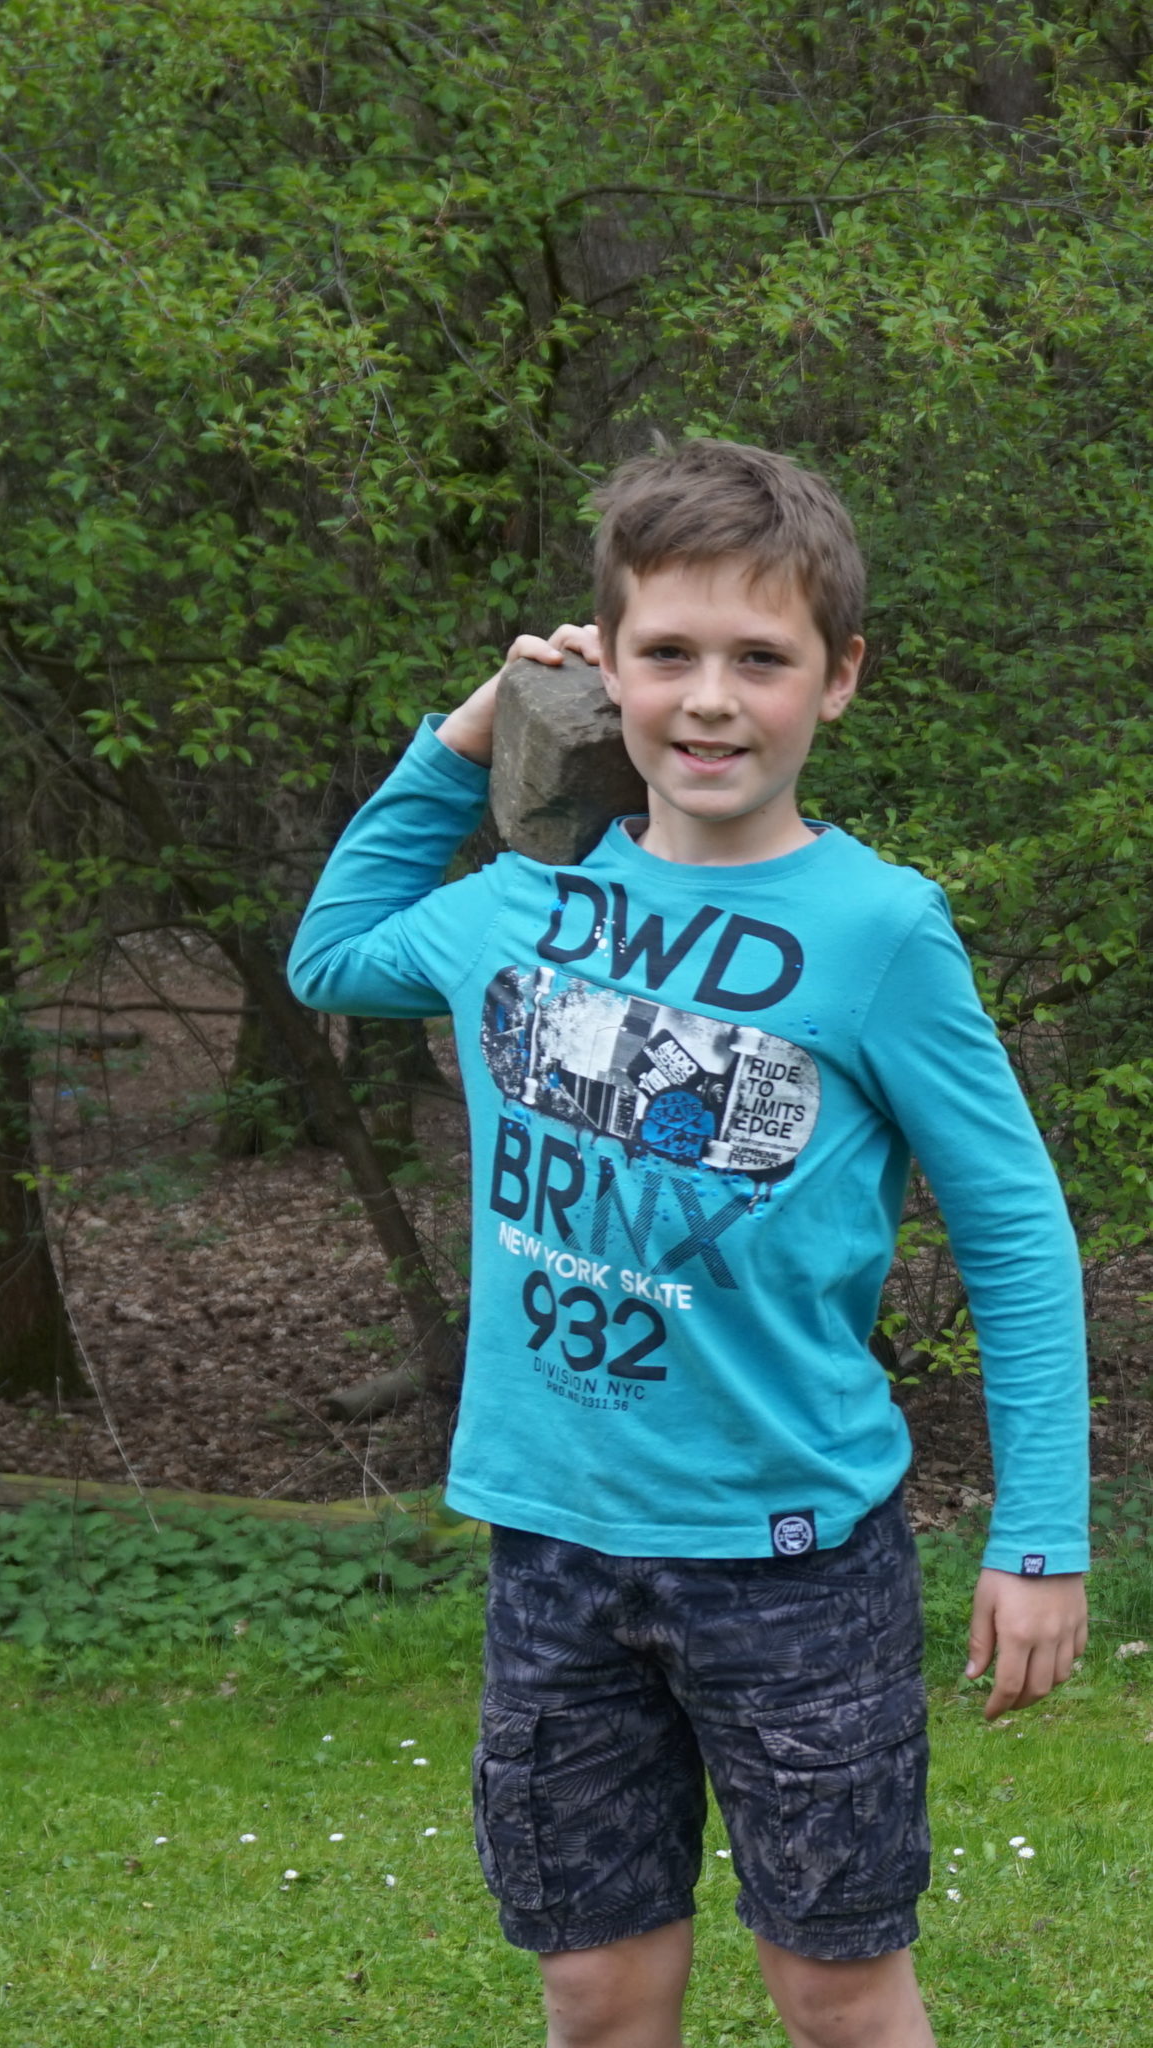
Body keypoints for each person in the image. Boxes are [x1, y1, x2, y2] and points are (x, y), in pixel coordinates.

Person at [288, 438, 1089, 2048]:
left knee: (836, 1990)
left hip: (795, 1563)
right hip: (555, 1547)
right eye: (666, 654)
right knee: (596, 1988)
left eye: (760, 660)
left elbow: (1014, 1235)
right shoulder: (520, 905)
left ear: (837, 678)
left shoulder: (879, 931)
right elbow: (329, 957)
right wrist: (471, 730)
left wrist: (1041, 1538)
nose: (710, 701)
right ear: (605, 667)